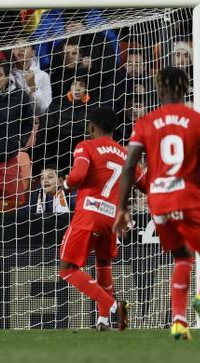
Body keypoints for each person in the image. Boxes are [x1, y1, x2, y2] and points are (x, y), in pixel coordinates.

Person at [115, 67, 200, 341]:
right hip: (188, 198)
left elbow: (130, 166)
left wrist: (122, 208)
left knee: (181, 257)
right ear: (184, 88)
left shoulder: (145, 122)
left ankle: (179, 321)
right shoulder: (198, 120)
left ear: (159, 88)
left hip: (158, 201)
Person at [59, 107, 142, 331]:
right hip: (112, 219)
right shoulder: (126, 154)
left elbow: (78, 175)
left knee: (67, 269)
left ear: (92, 127)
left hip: (89, 214)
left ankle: (114, 306)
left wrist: (63, 186)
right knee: (103, 264)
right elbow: (146, 184)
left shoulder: (85, 146)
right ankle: (103, 321)